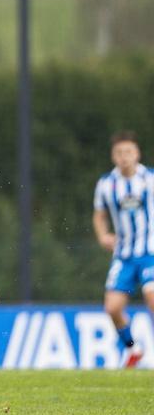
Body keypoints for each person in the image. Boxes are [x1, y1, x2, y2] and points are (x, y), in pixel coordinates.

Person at [92, 131, 148, 368]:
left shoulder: (150, 179)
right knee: (112, 308)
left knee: (153, 297)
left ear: (137, 154)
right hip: (123, 256)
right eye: (119, 153)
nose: (124, 157)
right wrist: (103, 235)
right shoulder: (106, 184)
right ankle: (133, 349)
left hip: (150, 253)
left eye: (128, 152)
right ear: (114, 156)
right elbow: (99, 214)